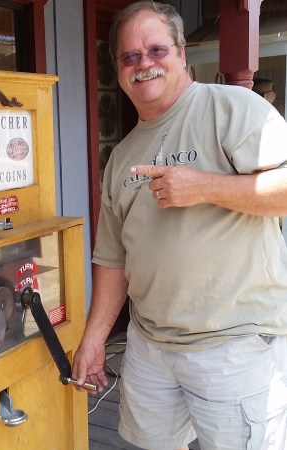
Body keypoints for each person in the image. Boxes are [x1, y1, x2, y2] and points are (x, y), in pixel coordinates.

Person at [72, 1, 287, 449]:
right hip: (149, 346)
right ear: (118, 68)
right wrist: (94, 339)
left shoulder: (231, 108)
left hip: (233, 346)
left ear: (181, 53)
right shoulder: (121, 156)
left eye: (156, 50)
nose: (143, 63)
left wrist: (205, 186)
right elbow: (113, 259)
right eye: (130, 56)